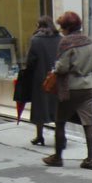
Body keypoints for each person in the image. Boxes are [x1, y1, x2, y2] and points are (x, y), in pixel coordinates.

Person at [42, 11, 92, 170]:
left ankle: (58, 157)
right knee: (88, 124)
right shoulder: (89, 42)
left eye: (62, 27)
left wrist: (56, 68)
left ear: (67, 28)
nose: (61, 31)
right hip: (87, 87)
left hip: (70, 88)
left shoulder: (66, 43)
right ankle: (90, 159)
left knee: (60, 122)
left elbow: (62, 67)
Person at [24, 15, 60, 146]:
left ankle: (39, 136)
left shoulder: (35, 40)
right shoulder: (59, 39)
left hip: (40, 79)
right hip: (56, 78)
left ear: (39, 26)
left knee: (40, 108)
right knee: (57, 108)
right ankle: (60, 136)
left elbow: (30, 62)